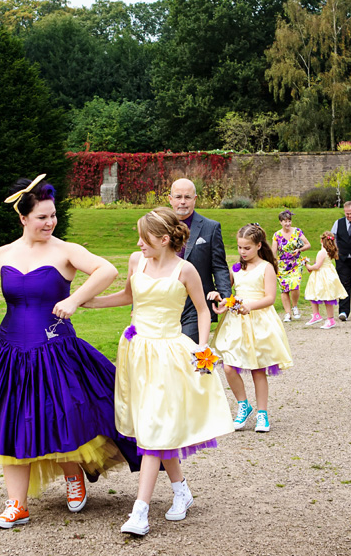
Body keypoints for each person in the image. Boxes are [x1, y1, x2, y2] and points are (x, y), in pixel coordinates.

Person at [0, 175, 139, 529]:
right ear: (23, 218)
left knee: (60, 414)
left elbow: (107, 270)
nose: (50, 222)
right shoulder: (2, 253)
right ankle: (16, 505)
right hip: (9, 351)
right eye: (42, 217)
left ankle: (74, 476)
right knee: (9, 421)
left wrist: (74, 298)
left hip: (54, 348)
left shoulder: (65, 250)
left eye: (53, 216)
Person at [84, 207, 234, 537]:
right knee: (156, 426)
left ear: (164, 239)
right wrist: (90, 302)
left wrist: (203, 347)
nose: (139, 243)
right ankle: (181, 491)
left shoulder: (186, 270)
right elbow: (128, 295)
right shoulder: (136, 262)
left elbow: (202, 311)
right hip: (137, 353)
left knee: (154, 430)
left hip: (169, 354)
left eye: (144, 238)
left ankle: (140, 512)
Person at [213, 223, 294, 433]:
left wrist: (249, 306)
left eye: (247, 248)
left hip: (258, 321)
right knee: (229, 366)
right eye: (240, 247)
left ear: (258, 246)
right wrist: (221, 302)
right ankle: (243, 404)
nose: (242, 252)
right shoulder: (236, 268)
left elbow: (270, 297)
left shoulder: (266, 267)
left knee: (258, 369)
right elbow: (228, 293)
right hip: (236, 322)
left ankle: (262, 413)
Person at [169, 178, 232, 342]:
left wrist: (225, 296)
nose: (183, 202)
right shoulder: (159, 226)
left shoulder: (210, 228)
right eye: (178, 197)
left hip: (195, 303)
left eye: (187, 197)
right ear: (170, 199)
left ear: (195, 199)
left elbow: (219, 267)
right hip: (165, 299)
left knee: (188, 350)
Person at [270, 209, 311, 322]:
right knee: (284, 289)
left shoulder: (297, 232)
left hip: (295, 263)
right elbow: (274, 251)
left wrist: (299, 249)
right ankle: (288, 313)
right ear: (280, 222)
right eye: (285, 221)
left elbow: (308, 245)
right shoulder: (277, 235)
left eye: (289, 221)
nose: (287, 223)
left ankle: (295, 306)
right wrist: (272, 264)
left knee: (294, 285)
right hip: (282, 265)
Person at [303, 232, 348, 329]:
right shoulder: (329, 251)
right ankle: (319, 316)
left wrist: (307, 265)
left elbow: (317, 266)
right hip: (329, 274)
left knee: (318, 294)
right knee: (323, 295)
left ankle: (326, 318)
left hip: (322, 275)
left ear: (321, 241)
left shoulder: (322, 252)